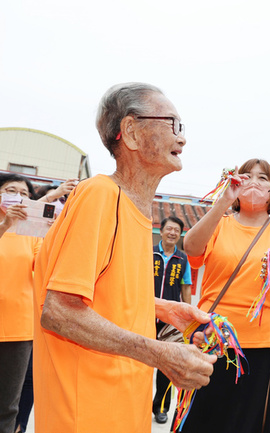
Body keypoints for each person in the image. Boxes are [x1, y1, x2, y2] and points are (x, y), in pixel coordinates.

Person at [32, 83, 217, 433]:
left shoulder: (135, 210)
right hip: (86, 413)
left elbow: (106, 294)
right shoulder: (100, 196)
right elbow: (59, 311)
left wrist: (164, 309)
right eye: (172, 123)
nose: (183, 138)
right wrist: (161, 354)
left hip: (122, 405)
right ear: (130, 131)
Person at [181, 158, 270, 433]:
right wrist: (222, 202)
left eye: (263, 177)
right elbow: (191, 248)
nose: (254, 181)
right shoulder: (220, 222)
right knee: (206, 419)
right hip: (215, 337)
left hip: (268, 341)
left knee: (257, 423)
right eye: (247, 175)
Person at [0, 173, 75, 433]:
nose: (18, 198)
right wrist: (5, 224)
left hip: (18, 330)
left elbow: (42, 264)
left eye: (23, 194)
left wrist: (55, 230)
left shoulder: (30, 234)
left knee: (8, 406)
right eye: (11, 191)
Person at [152, 215, 193, 424]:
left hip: (169, 318)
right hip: (144, 312)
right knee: (138, 357)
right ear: (161, 231)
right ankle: (136, 401)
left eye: (176, 230)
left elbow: (186, 287)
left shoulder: (183, 259)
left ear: (180, 234)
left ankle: (161, 407)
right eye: (169, 229)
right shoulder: (148, 252)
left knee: (165, 363)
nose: (172, 233)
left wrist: (187, 315)